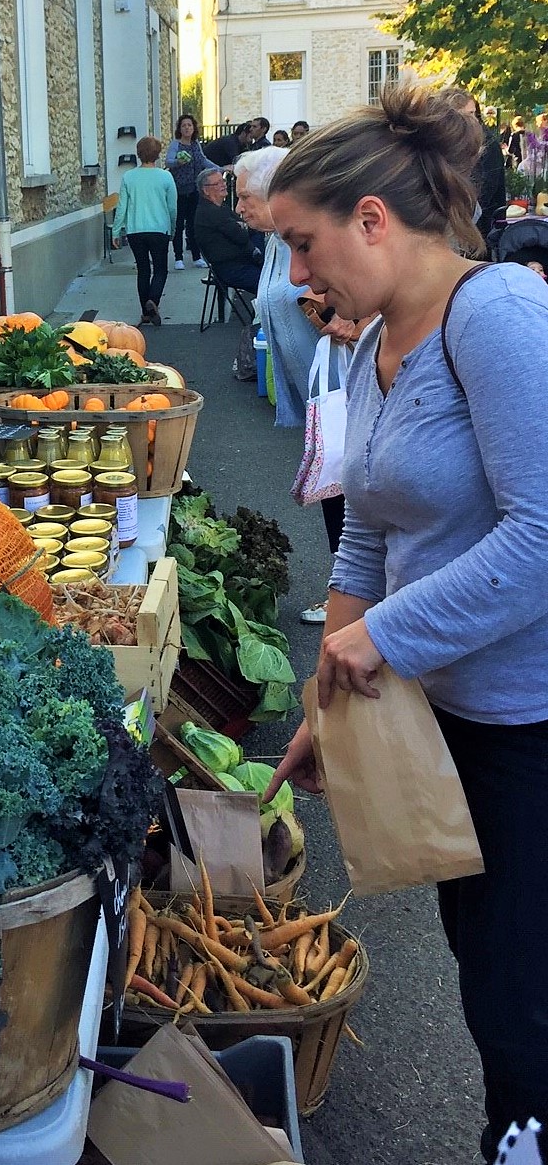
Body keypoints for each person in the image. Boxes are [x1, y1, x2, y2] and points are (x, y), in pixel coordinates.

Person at [264, 79, 548, 1163]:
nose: (295, 274)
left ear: (372, 220)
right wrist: (327, 702)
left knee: (526, 1005)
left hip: (527, 730)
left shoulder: (498, 317)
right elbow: (368, 536)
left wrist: (381, 640)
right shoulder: (376, 343)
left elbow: (539, 531)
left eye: (304, 242)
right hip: (452, 722)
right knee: (492, 987)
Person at [235, 146, 371, 622]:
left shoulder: (314, 243)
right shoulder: (277, 243)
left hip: (347, 389)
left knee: (345, 488)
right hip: (324, 389)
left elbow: (351, 306)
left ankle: (351, 598)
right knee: (338, 487)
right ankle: (353, 592)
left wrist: (342, 320)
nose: (239, 208)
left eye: (245, 197)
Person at [112, 135, 178, 326]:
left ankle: (145, 312)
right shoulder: (166, 177)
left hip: (136, 230)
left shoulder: (128, 177)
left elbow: (122, 206)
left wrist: (116, 231)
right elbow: (172, 207)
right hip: (159, 229)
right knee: (160, 269)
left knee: (142, 269)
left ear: (138, 154)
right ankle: (154, 301)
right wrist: (172, 229)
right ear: (157, 155)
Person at [193, 166, 261, 293]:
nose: (223, 185)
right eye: (217, 183)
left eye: (223, 181)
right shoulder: (210, 212)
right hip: (231, 269)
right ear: (206, 190)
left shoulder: (220, 208)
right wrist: (243, 228)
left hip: (240, 263)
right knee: (271, 288)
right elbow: (242, 236)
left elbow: (246, 227)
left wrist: (243, 227)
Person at [450, 89, 505, 241]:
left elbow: (485, 190)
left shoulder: (486, 142)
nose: (472, 120)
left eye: (473, 113)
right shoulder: (451, 143)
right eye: (465, 115)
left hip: (481, 230)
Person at [164, 115, 213, 271]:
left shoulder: (196, 144)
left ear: (194, 128)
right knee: (179, 225)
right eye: (184, 125)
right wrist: (178, 162)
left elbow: (203, 160)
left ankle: (196, 256)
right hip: (179, 190)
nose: (187, 128)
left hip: (194, 189)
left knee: (193, 224)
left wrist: (219, 168)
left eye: (189, 125)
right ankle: (178, 257)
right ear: (179, 129)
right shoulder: (175, 145)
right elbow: (168, 161)